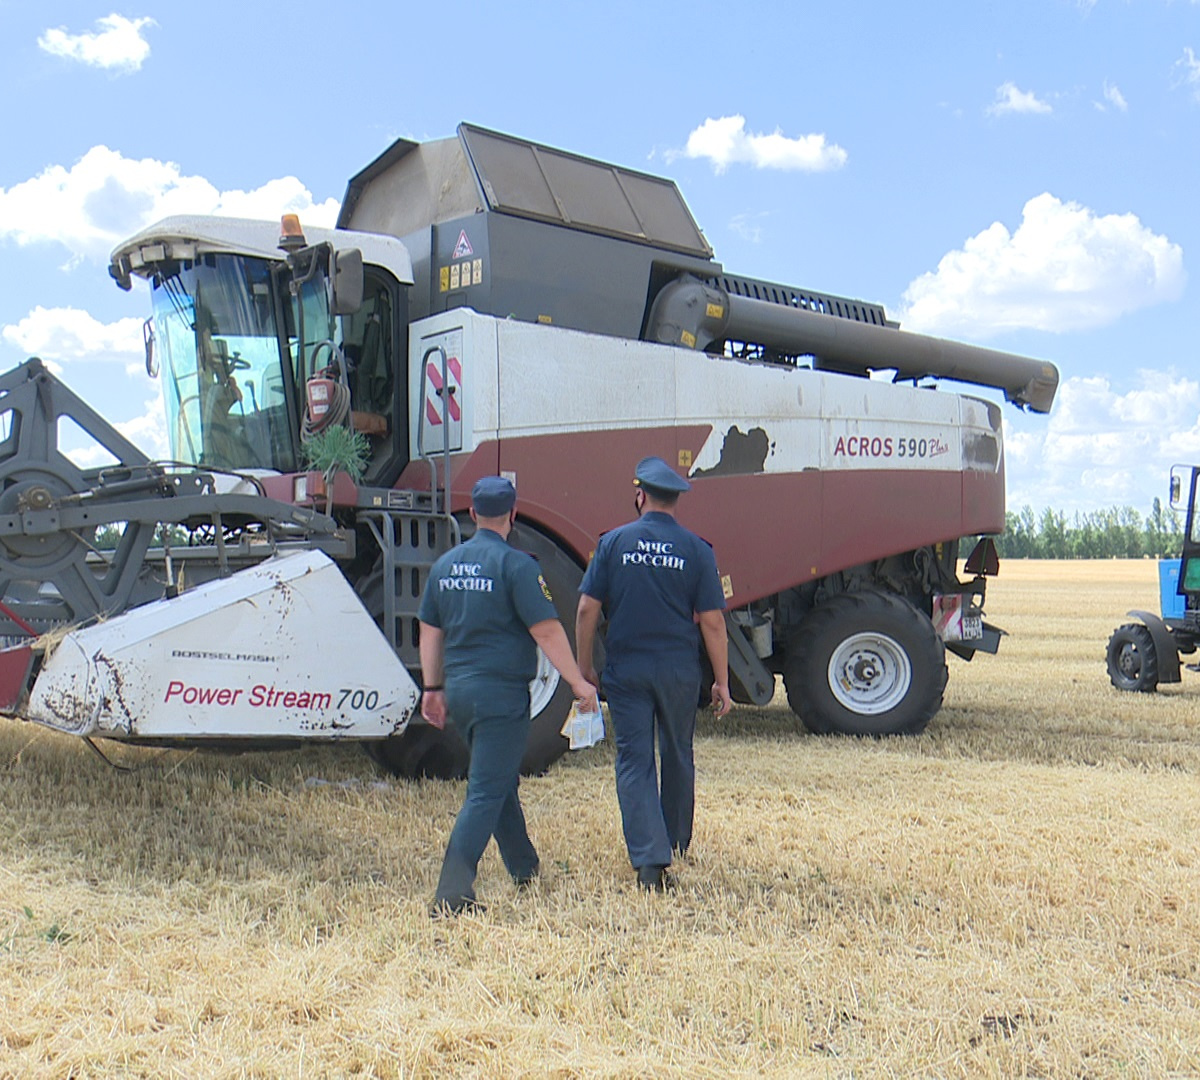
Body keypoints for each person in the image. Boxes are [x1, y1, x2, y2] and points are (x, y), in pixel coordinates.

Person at [418, 476, 598, 916]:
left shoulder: (446, 565)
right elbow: (547, 630)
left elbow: (429, 629)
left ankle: (524, 866)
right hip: (501, 694)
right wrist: (577, 681)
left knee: (496, 779)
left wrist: (432, 687)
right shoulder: (519, 566)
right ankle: (452, 894)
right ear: (513, 515)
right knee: (485, 789)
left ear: (474, 515)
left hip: (460, 691)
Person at [576, 456, 734, 892]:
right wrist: (721, 681)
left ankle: (650, 860)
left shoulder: (613, 543)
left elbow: (588, 607)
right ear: (675, 501)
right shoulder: (698, 550)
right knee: (678, 753)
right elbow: (712, 621)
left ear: (640, 495)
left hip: (627, 669)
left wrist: (584, 665)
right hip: (679, 671)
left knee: (634, 758)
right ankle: (676, 840)